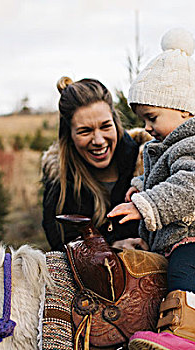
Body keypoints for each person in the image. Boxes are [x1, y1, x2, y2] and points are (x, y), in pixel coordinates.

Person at [108, 28, 195, 350]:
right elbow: (164, 178)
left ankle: (184, 335)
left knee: (182, 269)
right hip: (179, 229)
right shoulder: (171, 145)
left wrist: (147, 206)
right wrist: (139, 188)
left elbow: (191, 186)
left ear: (184, 111)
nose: (146, 127)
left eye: (152, 117)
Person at [42, 76, 149, 251]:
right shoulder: (59, 183)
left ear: (115, 123)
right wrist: (111, 248)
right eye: (85, 131)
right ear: (69, 136)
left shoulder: (149, 165)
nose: (98, 140)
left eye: (105, 126)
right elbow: (61, 246)